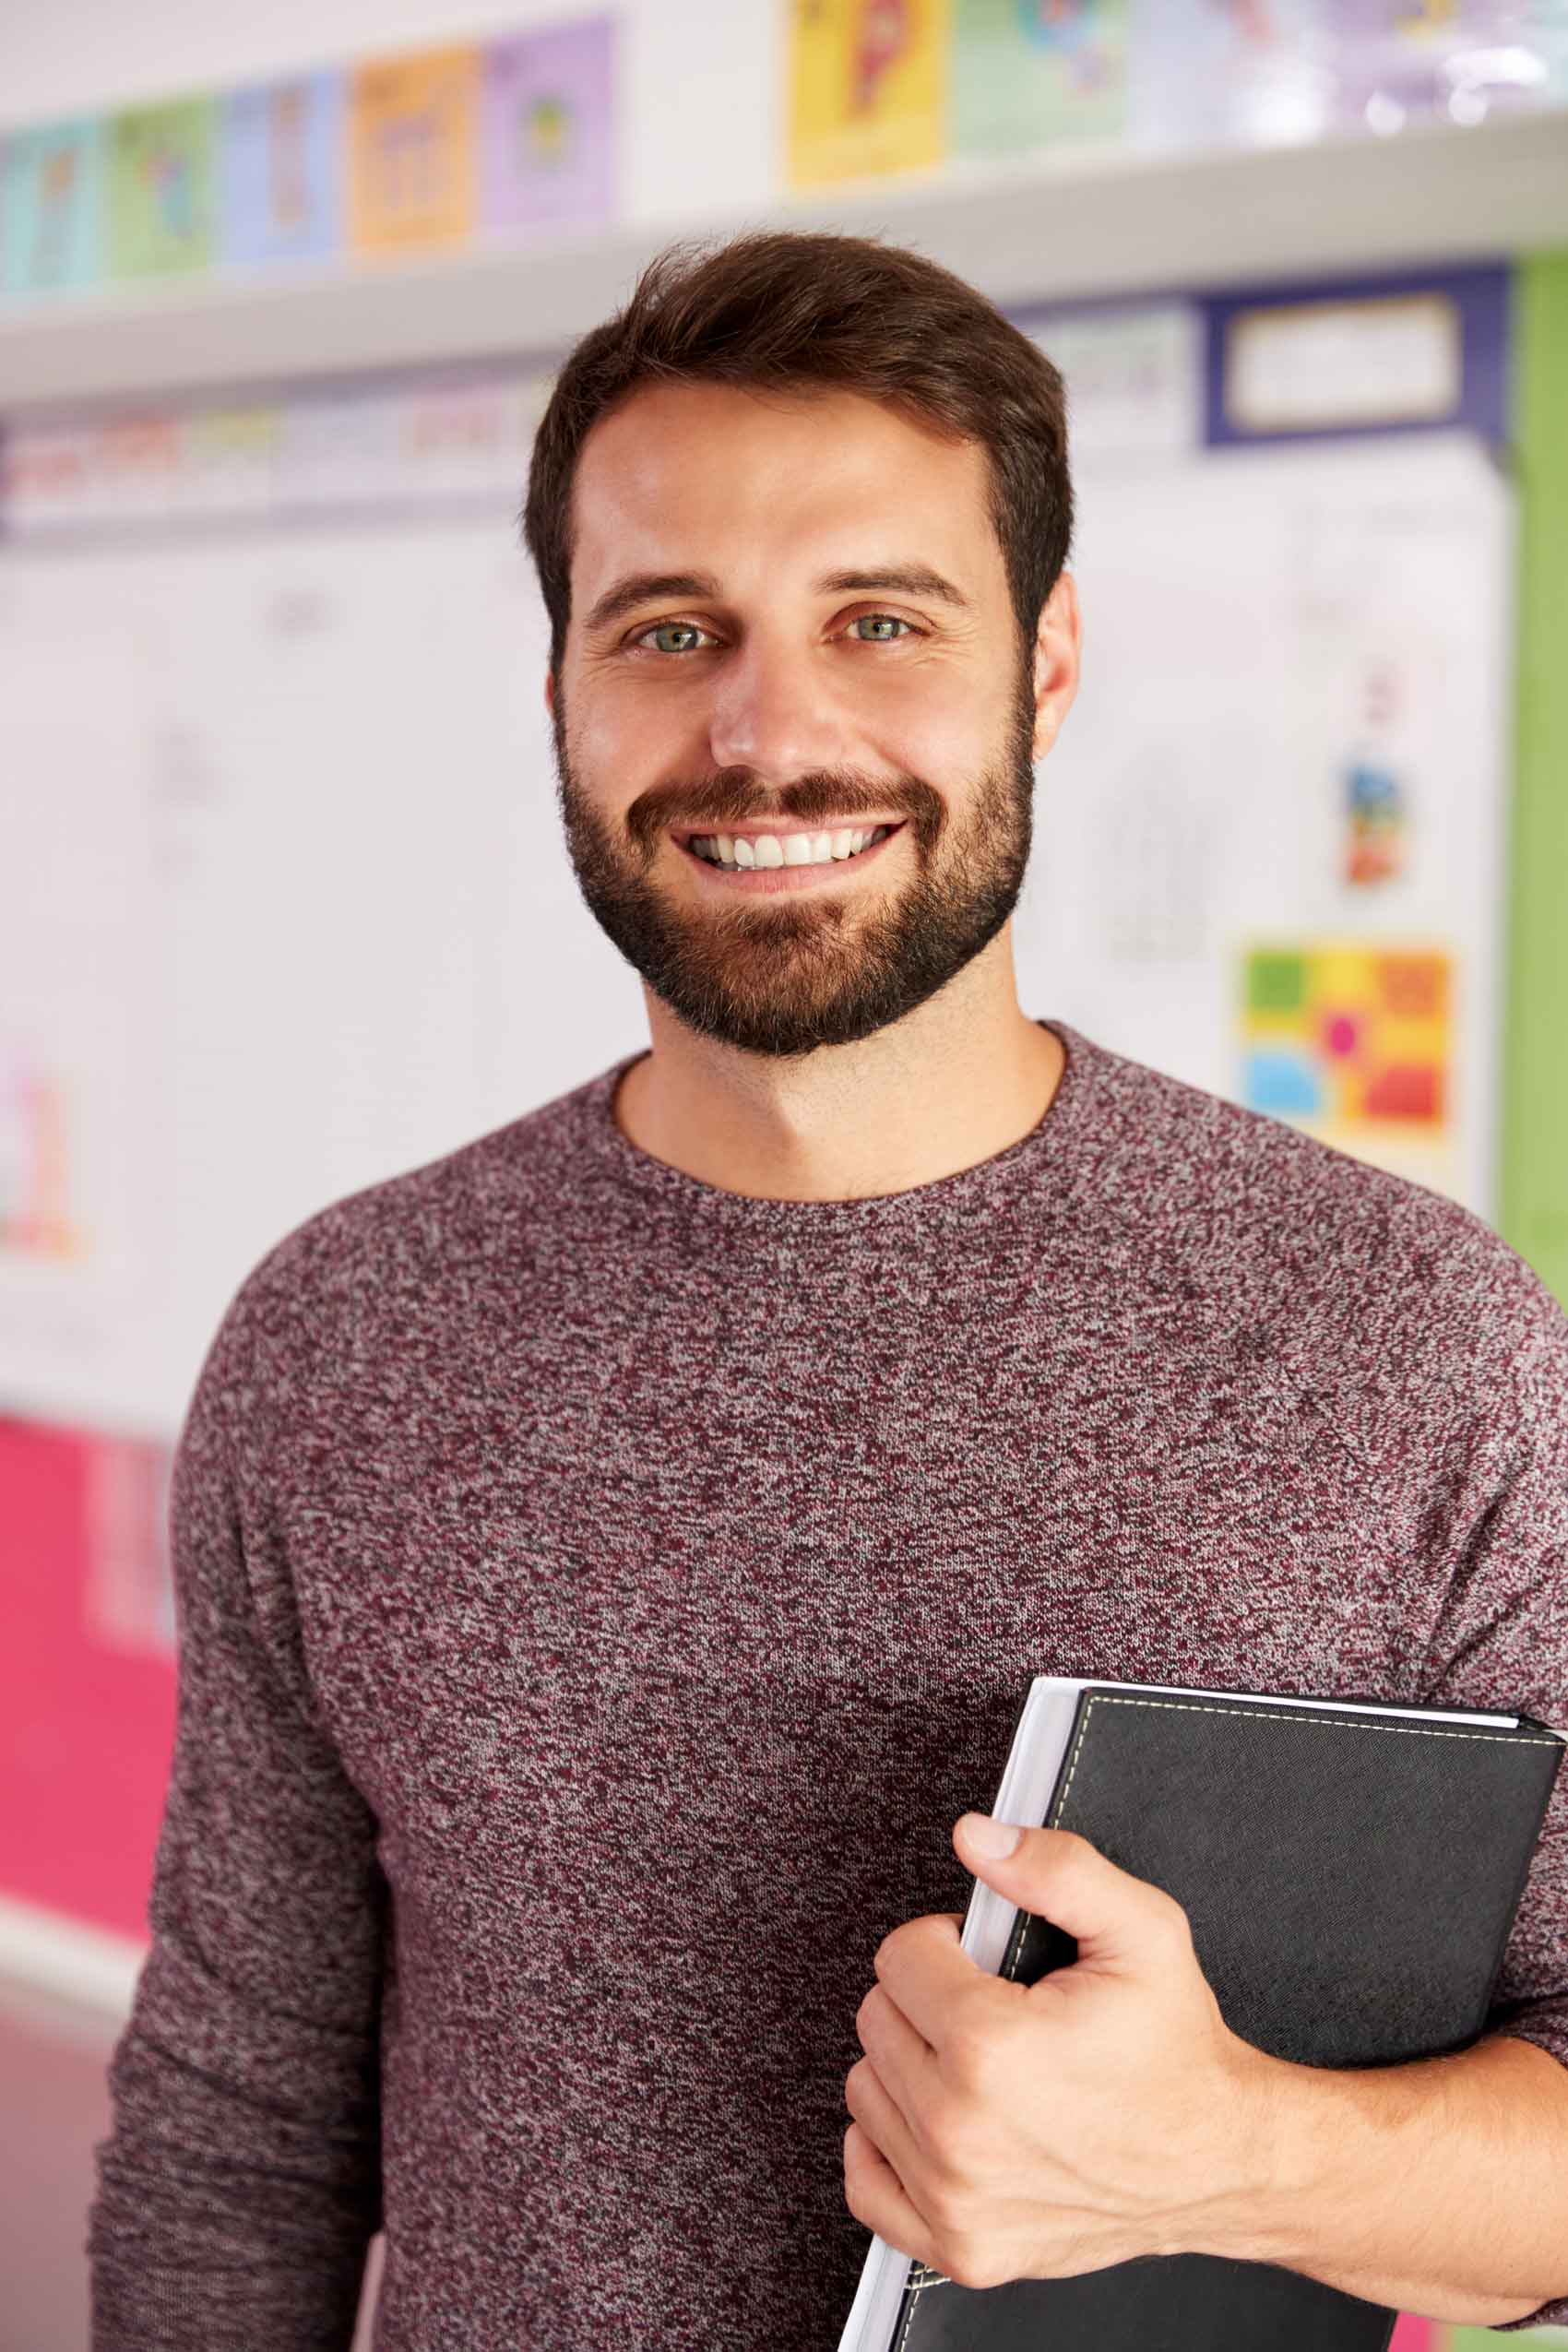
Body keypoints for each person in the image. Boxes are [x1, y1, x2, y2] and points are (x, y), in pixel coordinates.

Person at [89, 229, 1568, 2347]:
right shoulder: (341, 1339)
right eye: (669, 628)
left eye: (880, 621)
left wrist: (1242, 2153)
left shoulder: (1420, 1346)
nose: (766, 735)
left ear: (1043, 666)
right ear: (561, 697)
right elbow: (238, 2125)